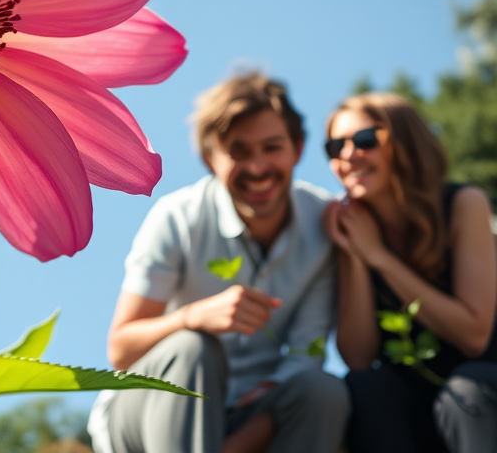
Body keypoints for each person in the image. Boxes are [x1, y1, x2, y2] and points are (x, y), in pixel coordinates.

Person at [89, 74, 348, 453]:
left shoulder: (322, 224)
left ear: (297, 148)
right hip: (149, 411)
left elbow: (304, 358)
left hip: (252, 414)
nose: (258, 168)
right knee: (193, 348)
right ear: (211, 158)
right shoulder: (178, 217)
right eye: (238, 151)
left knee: (323, 391)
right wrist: (190, 317)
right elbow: (121, 348)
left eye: (272, 147)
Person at [323, 93, 497, 452]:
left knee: (466, 386)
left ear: (405, 141)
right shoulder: (353, 230)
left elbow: (474, 336)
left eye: (366, 140)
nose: (348, 155)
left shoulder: (463, 205)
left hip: (482, 396)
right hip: (416, 406)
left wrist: (380, 257)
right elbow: (357, 357)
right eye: (335, 146)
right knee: (365, 387)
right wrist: (357, 256)